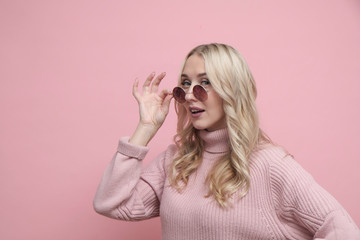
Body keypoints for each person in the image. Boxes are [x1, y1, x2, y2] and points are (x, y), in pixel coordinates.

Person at [93, 43, 360, 239]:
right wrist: (146, 128)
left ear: (231, 91)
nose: (189, 96)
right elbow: (111, 204)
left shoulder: (269, 164)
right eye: (184, 84)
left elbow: (341, 230)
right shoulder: (176, 161)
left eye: (204, 83)